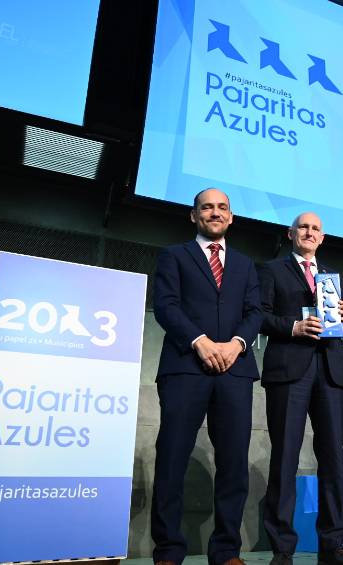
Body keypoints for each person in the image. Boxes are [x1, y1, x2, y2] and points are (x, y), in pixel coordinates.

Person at [151, 188, 263, 565]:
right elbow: (166, 306)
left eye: (222, 207)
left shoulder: (246, 264)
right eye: (207, 207)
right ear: (194, 215)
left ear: (230, 217)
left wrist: (236, 344)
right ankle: (168, 551)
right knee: (172, 459)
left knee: (233, 463)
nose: (215, 212)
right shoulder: (173, 256)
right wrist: (199, 341)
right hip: (185, 366)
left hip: (235, 370)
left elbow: (255, 312)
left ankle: (226, 550)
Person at [259, 212, 343, 565]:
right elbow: (260, 315)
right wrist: (294, 327)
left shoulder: (332, 276)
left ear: (322, 237)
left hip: (330, 371)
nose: (309, 232)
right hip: (290, 370)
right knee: (285, 457)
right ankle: (282, 549)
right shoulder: (272, 270)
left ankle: (333, 546)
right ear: (291, 233)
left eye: (316, 228)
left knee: (333, 459)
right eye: (303, 227)